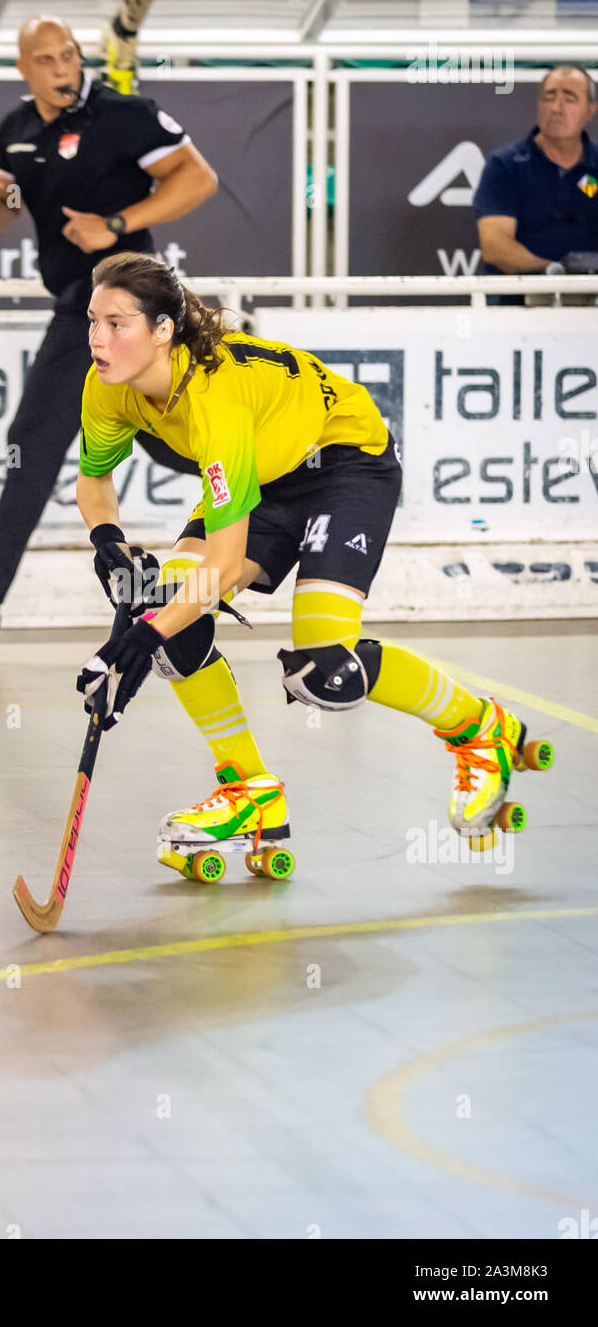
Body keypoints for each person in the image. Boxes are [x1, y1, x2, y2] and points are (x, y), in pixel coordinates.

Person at [75, 253, 553, 881]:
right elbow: (94, 480)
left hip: (346, 462)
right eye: (92, 322)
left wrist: (141, 635)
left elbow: (219, 568)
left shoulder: (214, 400)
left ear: (163, 330)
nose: (98, 340)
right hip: (264, 477)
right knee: (164, 604)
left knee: (324, 668)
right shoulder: (108, 385)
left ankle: (479, 728)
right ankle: (249, 790)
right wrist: (109, 543)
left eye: (116, 324)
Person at [0, 14, 218, 651]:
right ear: (23, 68)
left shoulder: (124, 114)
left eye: (69, 54)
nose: (63, 67)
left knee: (44, 438)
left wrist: (116, 222)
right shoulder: (15, 131)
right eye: (46, 59)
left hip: (128, 296)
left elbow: (197, 177)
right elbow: (12, 210)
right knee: (145, 439)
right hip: (80, 302)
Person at [474, 64, 598, 304]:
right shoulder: (507, 165)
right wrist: (552, 272)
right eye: (549, 97)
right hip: (518, 303)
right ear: (539, 105)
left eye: (569, 98)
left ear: (590, 110)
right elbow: (495, 246)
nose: (557, 108)